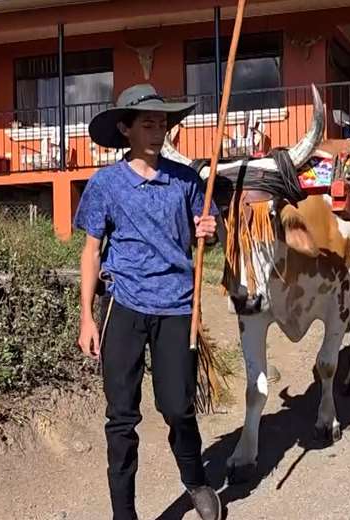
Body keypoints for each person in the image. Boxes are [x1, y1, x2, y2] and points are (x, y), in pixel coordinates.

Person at [75, 83, 221, 520]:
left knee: (177, 407)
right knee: (121, 419)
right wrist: (86, 316)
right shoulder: (105, 184)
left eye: (163, 123)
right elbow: (90, 250)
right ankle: (124, 514)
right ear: (126, 129)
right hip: (124, 305)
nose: (158, 132)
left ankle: (195, 479)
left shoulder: (186, 181)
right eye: (148, 123)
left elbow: (208, 236)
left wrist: (210, 233)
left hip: (177, 305)